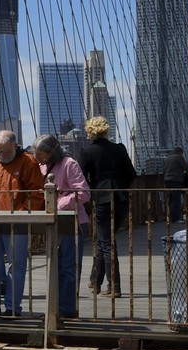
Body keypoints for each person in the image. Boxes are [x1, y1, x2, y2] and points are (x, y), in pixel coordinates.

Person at [0, 130, 44, 316]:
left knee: (16, 266)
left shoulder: (28, 162)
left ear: (15, 146)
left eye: (7, 151)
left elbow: (37, 193)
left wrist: (21, 213)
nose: (3, 155)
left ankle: (12, 308)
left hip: (17, 222)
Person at [75, 117, 137, 297]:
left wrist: (93, 189)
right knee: (104, 240)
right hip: (121, 199)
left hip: (102, 200)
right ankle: (95, 280)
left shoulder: (86, 152)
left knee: (107, 242)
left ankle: (114, 287)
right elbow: (131, 174)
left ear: (89, 132)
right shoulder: (119, 148)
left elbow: (81, 180)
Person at [33, 134, 89, 318]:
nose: (37, 157)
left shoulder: (69, 164)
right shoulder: (42, 166)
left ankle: (66, 309)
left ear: (51, 152)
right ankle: (55, 309)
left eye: (41, 154)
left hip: (72, 222)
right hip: (53, 222)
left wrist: (58, 203)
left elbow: (83, 193)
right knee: (54, 267)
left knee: (68, 267)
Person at [161, 146, 188, 224]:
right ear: (180, 152)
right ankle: (175, 219)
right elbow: (187, 168)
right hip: (175, 180)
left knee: (168, 200)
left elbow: (163, 170)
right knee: (176, 200)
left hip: (167, 180)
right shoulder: (179, 157)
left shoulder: (167, 158)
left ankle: (167, 217)